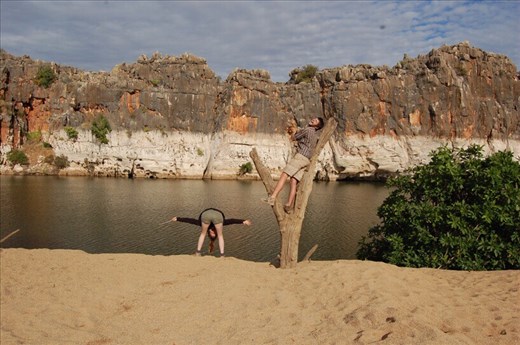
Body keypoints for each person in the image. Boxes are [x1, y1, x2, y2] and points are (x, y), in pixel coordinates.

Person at [262, 117, 324, 213]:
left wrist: (293, 132)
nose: (312, 120)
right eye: (314, 119)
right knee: (293, 181)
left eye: (315, 121)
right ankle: (289, 205)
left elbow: (294, 138)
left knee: (284, 174)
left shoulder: (308, 129)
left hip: (300, 157)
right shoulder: (315, 135)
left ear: (317, 126)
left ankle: (272, 197)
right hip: (307, 160)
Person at [171, 208, 252, 257]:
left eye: (212, 232)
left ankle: (198, 253)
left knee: (203, 234)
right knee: (220, 236)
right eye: (214, 232)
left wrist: (178, 218)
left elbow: (191, 220)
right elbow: (232, 221)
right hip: (217, 215)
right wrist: (243, 221)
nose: (213, 230)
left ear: (209, 233)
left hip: (206, 215)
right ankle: (222, 255)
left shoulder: (201, 224)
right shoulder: (221, 223)